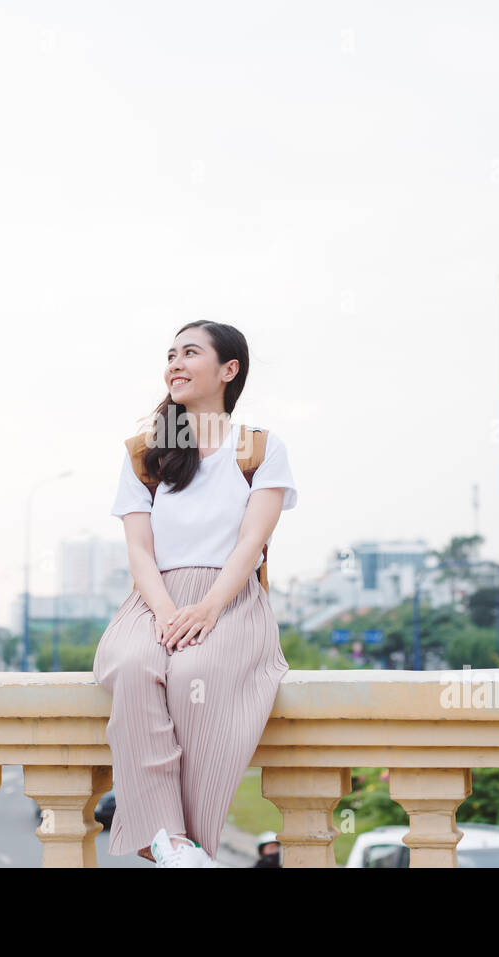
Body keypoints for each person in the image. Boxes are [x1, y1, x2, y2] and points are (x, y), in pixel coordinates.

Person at [92, 320, 297, 868]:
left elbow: (252, 542)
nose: (175, 364)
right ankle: (168, 837)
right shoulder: (144, 452)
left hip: (228, 598)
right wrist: (165, 612)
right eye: (170, 355)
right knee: (134, 664)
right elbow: (139, 550)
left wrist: (207, 608)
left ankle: (183, 841)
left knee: (193, 678)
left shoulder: (260, 449)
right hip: (154, 598)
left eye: (190, 353)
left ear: (229, 370)